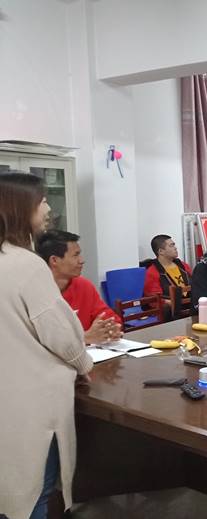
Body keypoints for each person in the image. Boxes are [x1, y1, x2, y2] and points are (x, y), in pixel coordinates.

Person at [0, 172, 93, 519]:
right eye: (41, 202)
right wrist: (84, 364)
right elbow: (60, 334)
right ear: (20, 207)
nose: (48, 209)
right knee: (34, 492)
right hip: (31, 404)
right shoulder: (27, 265)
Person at [36, 229, 123, 345]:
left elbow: (108, 317)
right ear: (54, 260)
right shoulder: (35, 293)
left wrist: (112, 329)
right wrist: (84, 338)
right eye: (75, 255)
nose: (81, 261)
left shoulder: (84, 285)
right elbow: (39, 342)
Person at [143, 234, 192, 300]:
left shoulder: (183, 265)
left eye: (174, 245)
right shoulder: (152, 273)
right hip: (172, 306)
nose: (175, 248)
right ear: (161, 251)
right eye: (171, 245)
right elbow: (156, 300)